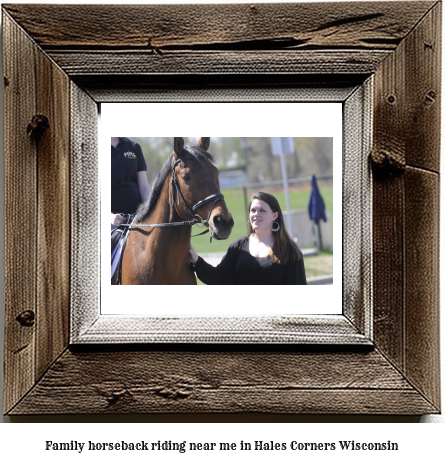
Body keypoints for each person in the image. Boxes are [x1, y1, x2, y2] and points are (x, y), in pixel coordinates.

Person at [189, 192, 307, 285]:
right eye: (253, 210)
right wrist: (196, 260)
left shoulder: (289, 251)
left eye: (262, 210)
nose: (256, 214)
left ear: (275, 215)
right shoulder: (238, 247)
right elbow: (218, 278)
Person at [111, 137, 151, 229]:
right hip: (110, 220)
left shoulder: (134, 147)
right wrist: (110, 217)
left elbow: (144, 188)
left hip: (137, 216)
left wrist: (153, 209)